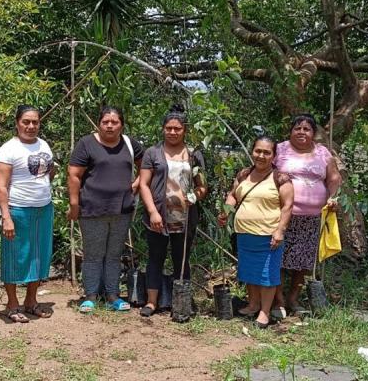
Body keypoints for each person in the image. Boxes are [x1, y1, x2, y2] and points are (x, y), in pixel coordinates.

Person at [68, 106, 143, 313]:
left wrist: (136, 185)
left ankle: (113, 296)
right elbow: (74, 175)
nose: (110, 126)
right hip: (92, 208)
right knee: (93, 254)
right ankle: (90, 296)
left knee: (114, 254)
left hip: (122, 209)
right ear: (99, 123)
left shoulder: (129, 144)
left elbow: (147, 166)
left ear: (122, 125)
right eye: (105, 122)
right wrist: (74, 205)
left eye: (115, 122)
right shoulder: (86, 144)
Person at [137, 105, 208, 317]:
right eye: (169, 128)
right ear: (163, 129)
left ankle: (181, 302)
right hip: (158, 216)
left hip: (185, 218)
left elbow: (202, 186)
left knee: (182, 259)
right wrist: (152, 212)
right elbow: (143, 184)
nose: (173, 132)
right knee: (155, 258)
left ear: (184, 130)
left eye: (177, 128)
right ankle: (151, 302)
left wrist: (194, 197)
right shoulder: (152, 153)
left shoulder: (194, 154)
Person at [218, 136, 293, 328]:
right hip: (244, 234)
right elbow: (233, 195)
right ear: (252, 152)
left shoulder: (280, 178)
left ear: (274, 156)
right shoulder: (244, 174)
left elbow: (287, 206)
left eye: (267, 152)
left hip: (268, 235)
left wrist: (279, 231)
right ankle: (252, 304)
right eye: (258, 151)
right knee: (249, 271)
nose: (261, 155)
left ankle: (265, 312)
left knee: (267, 274)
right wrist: (226, 211)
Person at [273, 114, 341, 316]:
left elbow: (334, 178)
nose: (302, 132)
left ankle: (293, 298)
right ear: (291, 131)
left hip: (312, 218)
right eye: (297, 128)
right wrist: (278, 175)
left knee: (303, 261)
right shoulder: (280, 149)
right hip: (283, 215)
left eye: (307, 129)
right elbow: (264, 169)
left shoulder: (323, 153)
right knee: (277, 257)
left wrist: (332, 197)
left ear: (314, 133)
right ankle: (278, 300)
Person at [0, 105, 56, 323]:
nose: (31, 126)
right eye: (26, 122)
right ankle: (12, 303)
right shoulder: (7, 150)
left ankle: (31, 300)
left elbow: (50, 172)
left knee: (39, 255)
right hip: (18, 209)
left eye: (35, 122)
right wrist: (6, 216)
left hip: (43, 208)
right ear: (17, 122)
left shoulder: (44, 145)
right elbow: (1, 186)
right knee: (14, 256)